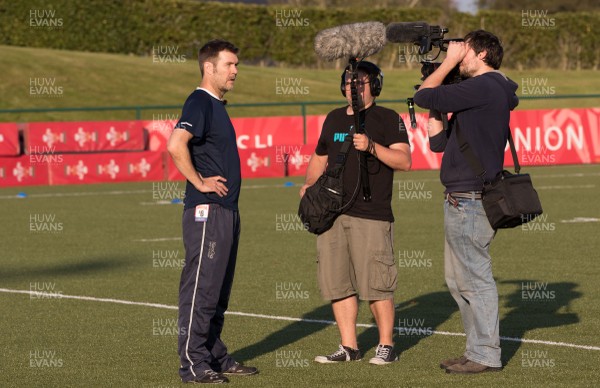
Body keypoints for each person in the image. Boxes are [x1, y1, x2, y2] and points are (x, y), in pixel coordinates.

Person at [413, 30, 519, 374]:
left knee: (475, 278)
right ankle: (476, 350)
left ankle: (487, 354)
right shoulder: (483, 91)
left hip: (471, 199)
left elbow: (426, 96)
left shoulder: (488, 85)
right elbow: (440, 143)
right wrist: (436, 113)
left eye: (466, 50)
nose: (461, 54)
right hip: (461, 197)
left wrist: (447, 62)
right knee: (459, 281)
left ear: (484, 53)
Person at [300, 61, 411, 365]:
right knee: (339, 283)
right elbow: (319, 156)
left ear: (374, 86)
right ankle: (349, 347)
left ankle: (386, 345)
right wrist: (309, 183)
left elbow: (404, 160)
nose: (353, 87)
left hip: (371, 214)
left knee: (377, 282)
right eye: (349, 82)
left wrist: (373, 147)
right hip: (331, 215)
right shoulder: (334, 118)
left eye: (360, 82)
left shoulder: (388, 118)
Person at [167, 39, 258, 384]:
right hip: (208, 210)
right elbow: (175, 145)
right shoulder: (200, 102)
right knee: (202, 288)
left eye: (236, 64)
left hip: (227, 211)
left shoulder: (217, 105)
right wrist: (200, 181)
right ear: (210, 67)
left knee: (218, 290)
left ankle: (214, 354)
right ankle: (193, 362)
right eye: (230, 64)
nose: (236, 70)